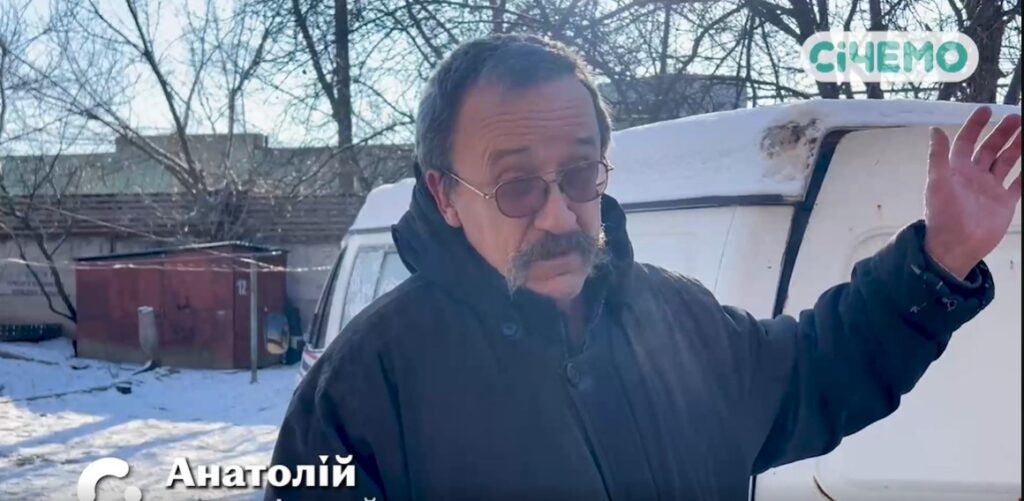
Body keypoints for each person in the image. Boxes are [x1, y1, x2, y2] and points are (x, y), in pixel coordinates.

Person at [266, 34, 1020, 500]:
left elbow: (817, 372)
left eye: (580, 176)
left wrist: (941, 256)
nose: (559, 217)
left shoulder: (676, 322)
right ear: (446, 195)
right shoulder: (366, 390)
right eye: (518, 186)